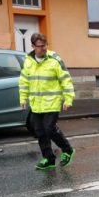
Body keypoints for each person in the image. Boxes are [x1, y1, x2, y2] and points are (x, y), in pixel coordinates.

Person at [19, 33, 75, 171]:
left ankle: (67, 150)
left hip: (52, 102)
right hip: (36, 104)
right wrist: (23, 98)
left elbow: (66, 80)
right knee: (39, 131)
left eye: (45, 45)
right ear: (33, 46)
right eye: (40, 46)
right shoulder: (28, 61)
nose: (44, 49)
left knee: (49, 128)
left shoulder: (54, 60)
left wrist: (68, 98)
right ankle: (49, 159)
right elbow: (24, 81)